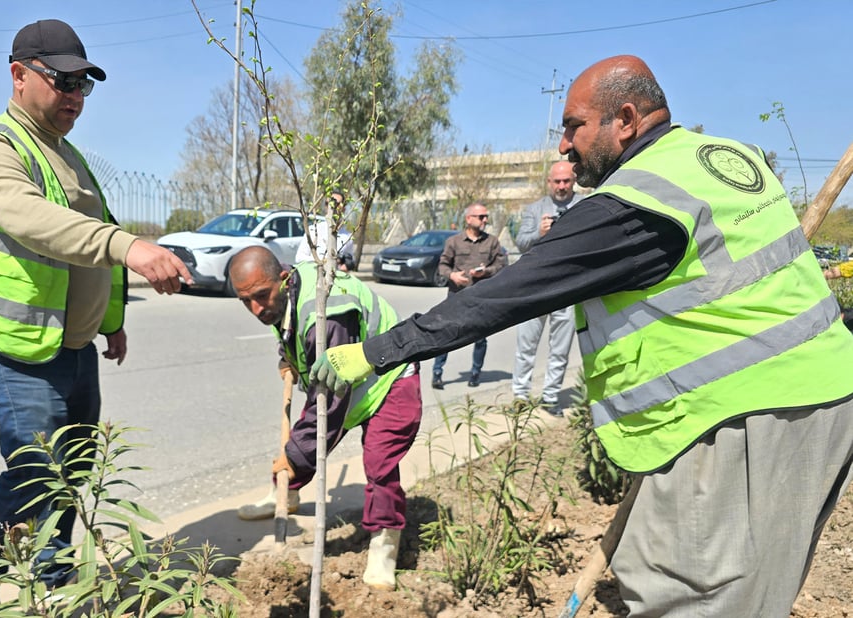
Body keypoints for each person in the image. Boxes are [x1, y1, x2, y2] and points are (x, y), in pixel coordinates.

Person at [311, 55, 853, 617]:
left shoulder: (633, 204)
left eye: (573, 127)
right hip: (823, 392)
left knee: (696, 592)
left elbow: (504, 295)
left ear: (625, 119)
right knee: (745, 585)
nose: (564, 147)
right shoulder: (724, 157)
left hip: (745, 418)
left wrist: (378, 352)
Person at [0, 18, 191, 614]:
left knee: (74, 470)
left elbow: (85, 251)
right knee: (35, 469)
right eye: (64, 83)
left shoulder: (68, 154)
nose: (76, 98)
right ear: (19, 75)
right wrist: (130, 247)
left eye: (85, 86)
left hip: (73, 347)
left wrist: (109, 320)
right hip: (20, 347)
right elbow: (39, 223)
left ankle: (57, 574)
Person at [230, 245, 422, 591]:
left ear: (283, 278)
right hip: (341, 380)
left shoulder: (327, 317)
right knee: (304, 439)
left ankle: (384, 542)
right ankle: (285, 493)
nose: (256, 308)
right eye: (246, 301)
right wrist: (286, 355)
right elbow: (292, 331)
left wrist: (293, 456)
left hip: (391, 378)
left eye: (261, 296)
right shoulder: (286, 295)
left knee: (379, 464)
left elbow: (330, 407)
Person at [511, 161, 581, 414]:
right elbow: (520, 243)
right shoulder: (535, 209)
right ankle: (520, 396)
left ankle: (551, 397)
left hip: (568, 286)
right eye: (557, 181)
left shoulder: (586, 205)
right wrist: (539, 233)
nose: (561, 186)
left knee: (560, 348)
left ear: (574, 180)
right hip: (535, 286)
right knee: (526, 345)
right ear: (549, 182)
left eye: (566, 181)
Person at [430, 202, 506, 389]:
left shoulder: (492, 242)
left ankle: (475, 373)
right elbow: (443, 266)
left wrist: (486, 272)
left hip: (481, 297)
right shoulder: (454, 242)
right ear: (469, 219)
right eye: (481, 217)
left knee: (480, 337)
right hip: (456, 296)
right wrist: (452, 275)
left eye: (486, 217)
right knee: (446, 335)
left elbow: (502, 265)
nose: (485, 220)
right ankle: (437, 373)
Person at [294, 190, 356, 272]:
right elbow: (299, 258)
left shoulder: (347, 237)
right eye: (328, 203)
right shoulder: (313, 230)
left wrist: (346, 266)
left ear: (343, 208)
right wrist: (323, 261)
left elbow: (350, 260)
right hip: (315, 277)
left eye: (336, 204)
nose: (331, 207)